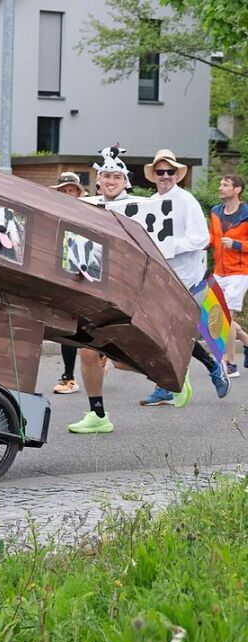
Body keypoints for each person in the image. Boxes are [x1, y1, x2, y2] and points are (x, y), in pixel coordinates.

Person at [139, 148, 229, 407]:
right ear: (154, 175)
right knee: (162, 333)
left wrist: (171, 245)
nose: (165, 176)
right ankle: (171, 383)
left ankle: (210, 368)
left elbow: (202, 239)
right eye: (160, 172)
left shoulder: (186, 200)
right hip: (161, 278)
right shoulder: (151, 203)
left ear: (177, 174)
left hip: (187, 279)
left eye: (170, 171)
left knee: (175, 333)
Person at [66, 155, 136, 435]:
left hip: (125, 289)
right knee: (87, 351)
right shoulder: (87, 206)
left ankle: (173, 371)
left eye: (116, 177)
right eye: (106, 176)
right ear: (98, 180)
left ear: (125, 181)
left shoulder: (136, 209)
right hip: (94, 285)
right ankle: (98, 415)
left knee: (123, 358)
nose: (110, 181)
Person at [49, 172, 86, 395]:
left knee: (90, 326)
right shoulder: (53, 215)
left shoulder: (90, 213)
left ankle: (99, 356)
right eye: (63, 190)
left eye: (71, 190)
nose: (67, 194)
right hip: (64, 277)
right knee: (68, 325)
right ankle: (69, 376)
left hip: (89, 277)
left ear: (78, 193)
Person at [208, 174, 248, 377]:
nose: (220, 187)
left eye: (225, 185)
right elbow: (212, 239)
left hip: (240, 272)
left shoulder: (247, 213)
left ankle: (231, 363)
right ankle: (246, 341)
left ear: (237, 189)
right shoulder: (215, 212)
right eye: (220, 183)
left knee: (225, 316)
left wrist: (237, 244)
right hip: (219, 271)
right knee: (216, 315)